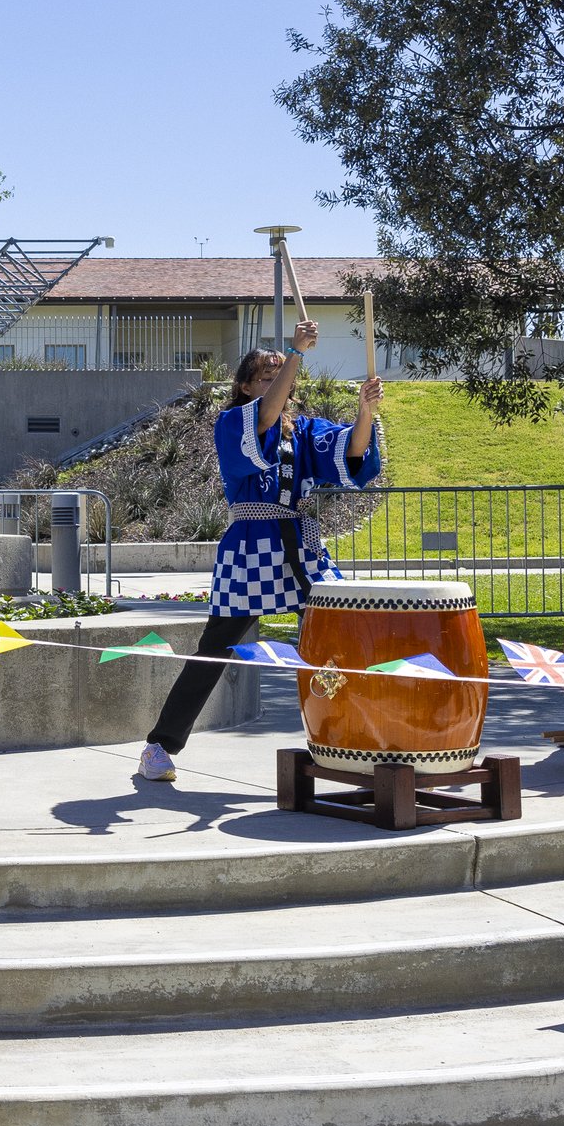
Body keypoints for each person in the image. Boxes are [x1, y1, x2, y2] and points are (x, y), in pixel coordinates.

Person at [136, 320, 382, 782]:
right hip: (251, 547)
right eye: (267, 376)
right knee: (217, 648)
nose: (278, 382)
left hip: (303, 545)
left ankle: (346, 734)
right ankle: (160, 746)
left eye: (282, 374)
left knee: (335, 638)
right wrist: (296, 354)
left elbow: (351, 452)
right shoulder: (234, 424)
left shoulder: (306, 430)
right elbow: (266, 417)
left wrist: (365, 411)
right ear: (246, 386)